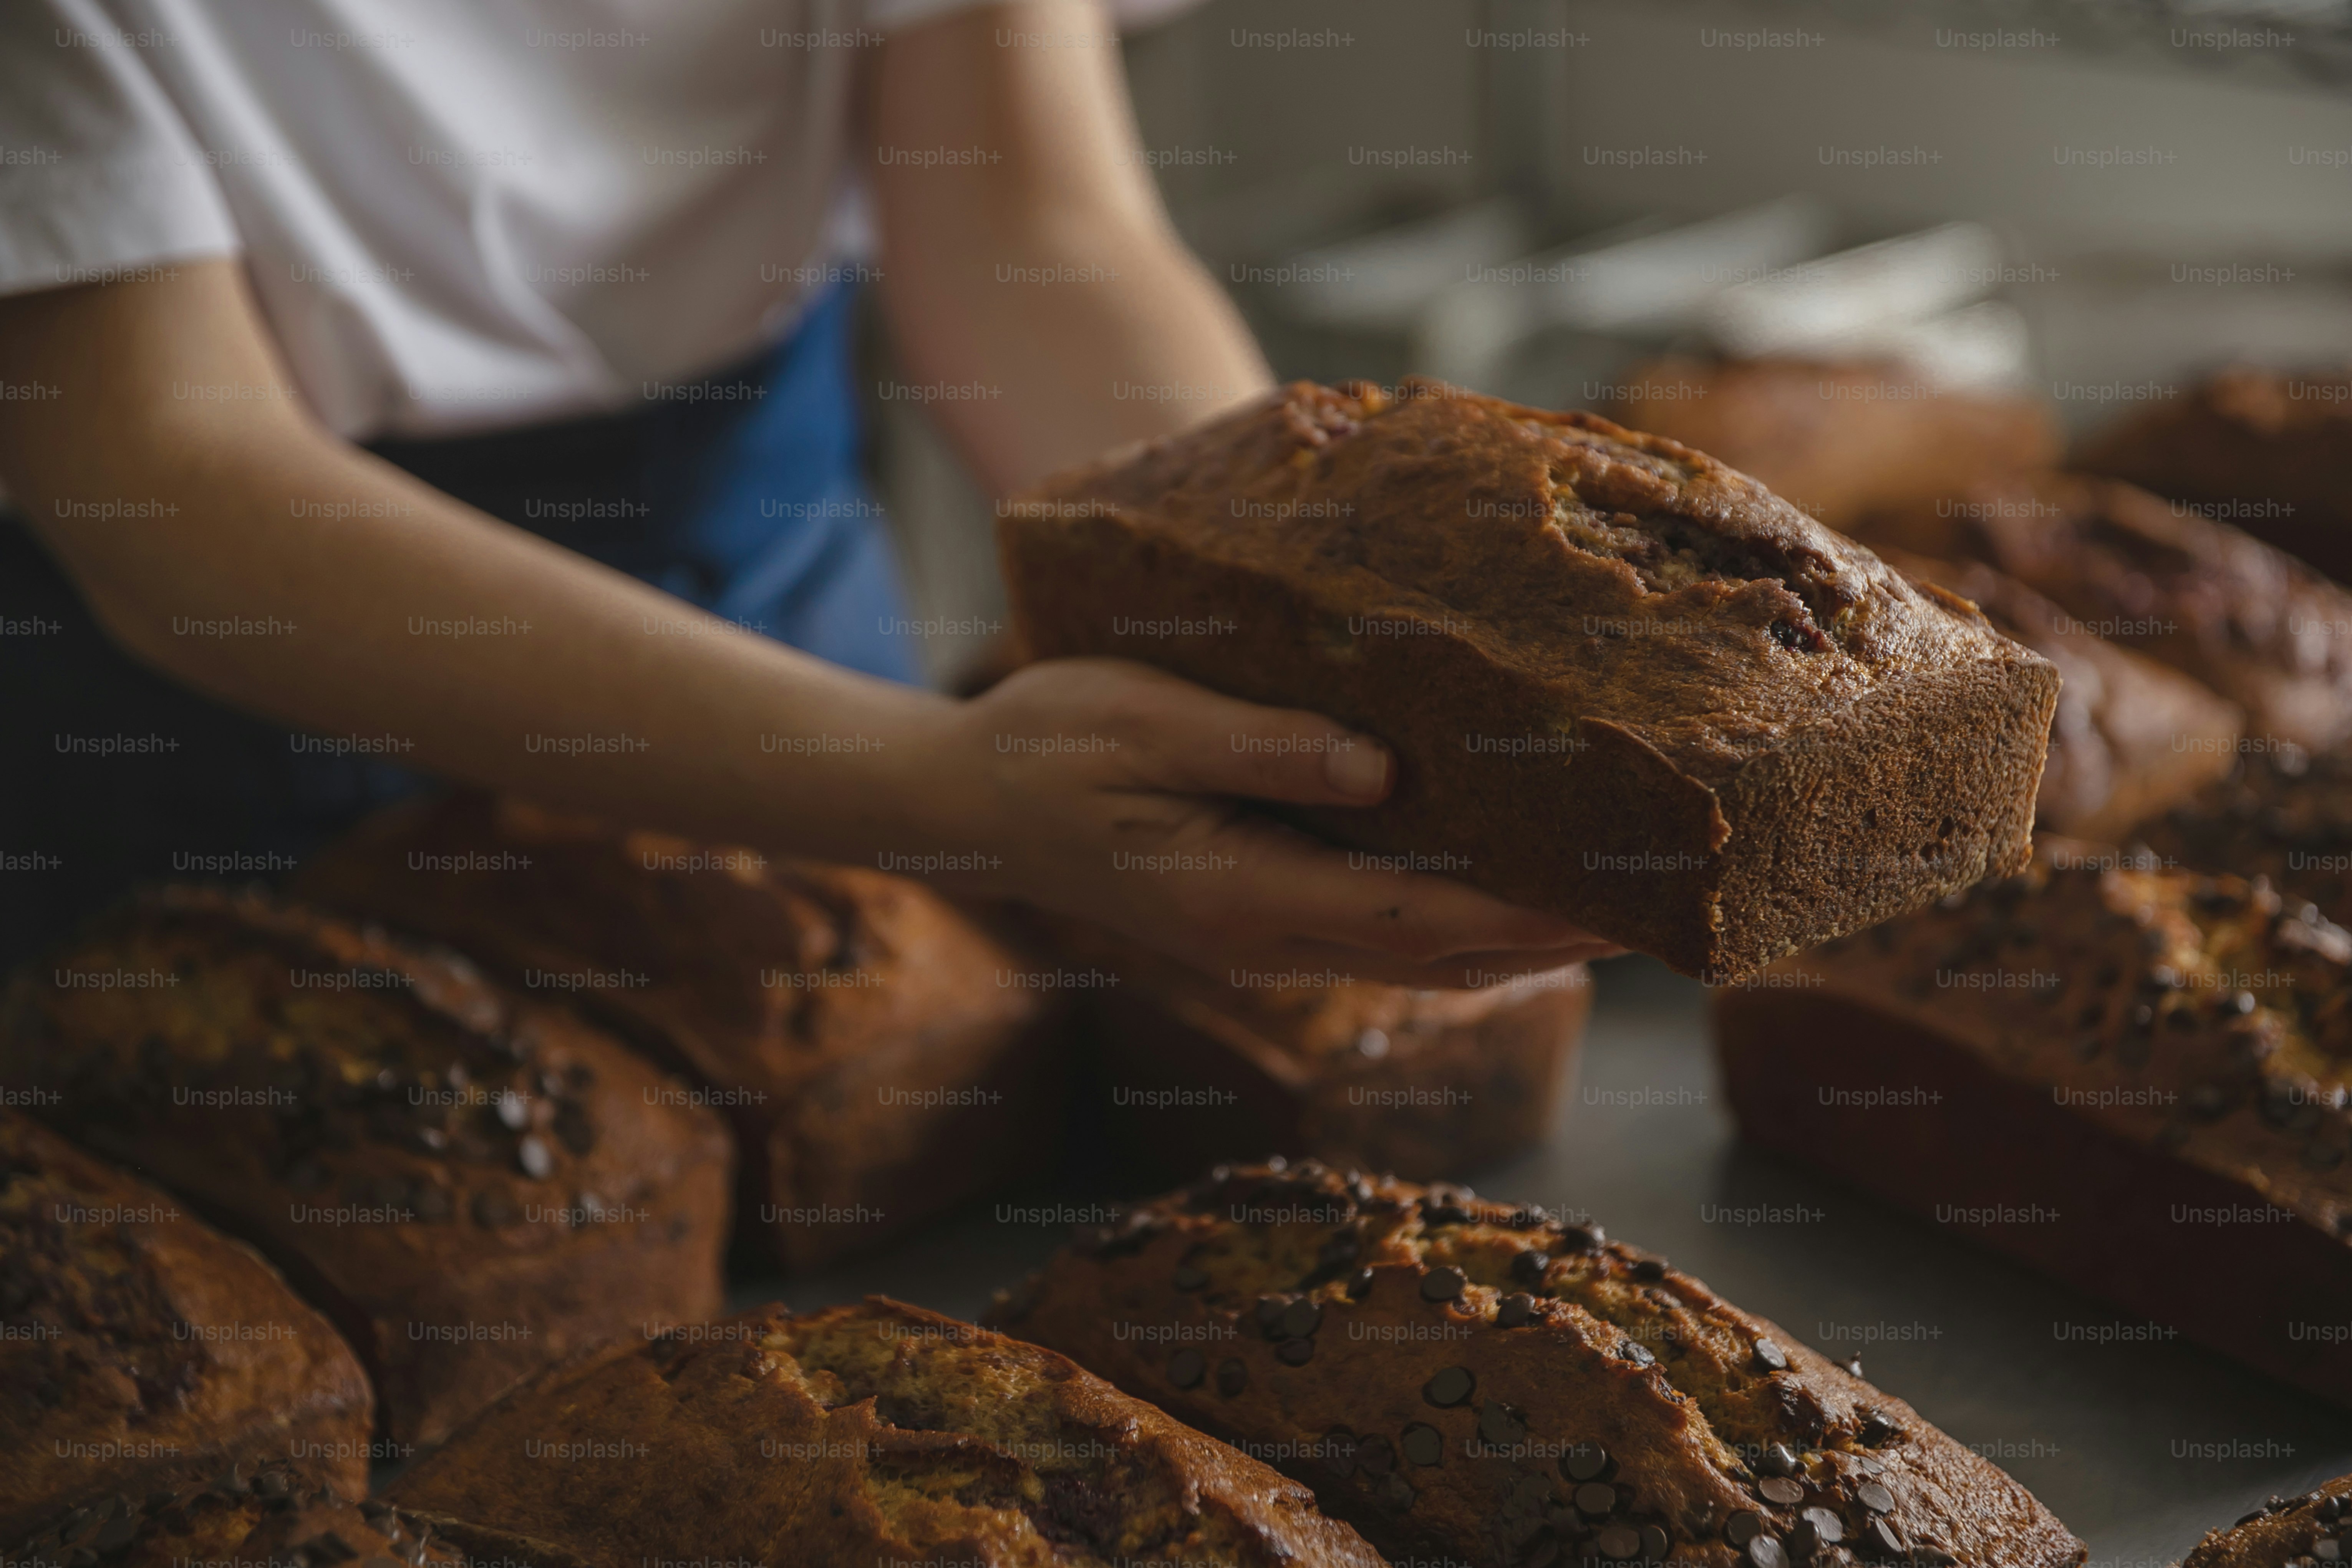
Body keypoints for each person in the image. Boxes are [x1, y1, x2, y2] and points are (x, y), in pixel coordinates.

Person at [0, 0, 1614, 983]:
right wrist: (946, 794)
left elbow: (1026, 224)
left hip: (771, 556)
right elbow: (171, 478)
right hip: (222, 706)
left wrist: (1288, 646)